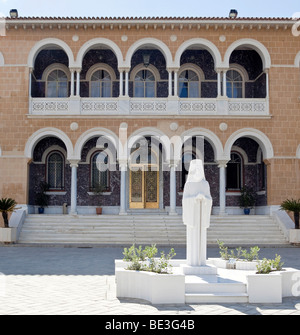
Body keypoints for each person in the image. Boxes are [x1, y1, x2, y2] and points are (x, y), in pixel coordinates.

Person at [182, 159, 212, 267]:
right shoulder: (189, 184)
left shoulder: (205, 184)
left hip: (201, 215)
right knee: (193, 239)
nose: (198, 172)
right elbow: (185, 200)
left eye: (199, 170)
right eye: (196, 170)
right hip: (193, 216)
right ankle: (192, 261)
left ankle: (201, 261)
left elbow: (209, 199)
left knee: (201, 239)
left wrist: (204, 199)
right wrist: (194, 198)